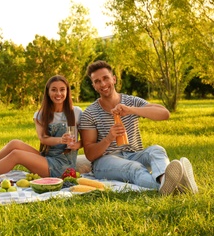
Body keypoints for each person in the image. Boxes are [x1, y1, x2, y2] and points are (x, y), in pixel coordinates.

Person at [79, 60, 198, 195]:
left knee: (157, 150)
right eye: (97, 81)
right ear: (94, 85)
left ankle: (165, 180)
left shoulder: (131, 102)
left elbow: (164, 114)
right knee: (135, 168)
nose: (103, 84)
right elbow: (90, 154)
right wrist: (109, 138)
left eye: (105, 78)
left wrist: (131, 110)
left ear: (114, 79)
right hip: (105, 162)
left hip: (134, 154)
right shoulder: (90, 113)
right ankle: (178, 187)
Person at [0, 75, 84, 178]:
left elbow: (86, 140)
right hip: (46, 157)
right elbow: (43, 138)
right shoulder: (41, 114)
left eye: (62, 90)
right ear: (48, 92)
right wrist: (61, 140)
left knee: (17, 155)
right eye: (54, 90)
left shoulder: (76, 112)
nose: (58, 93)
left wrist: (76, 145)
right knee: (14, 143)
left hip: (63, 166)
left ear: (67, 91)